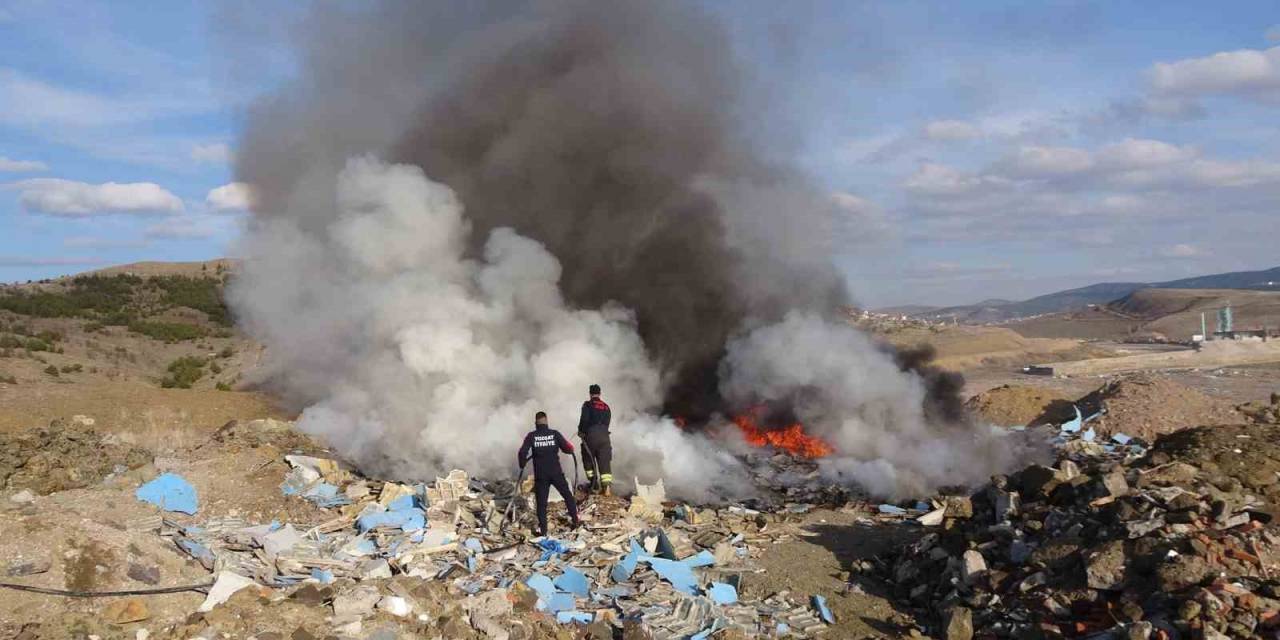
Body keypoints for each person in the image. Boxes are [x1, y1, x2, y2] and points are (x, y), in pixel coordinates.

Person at [517, 411, 580, 537]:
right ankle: (575, 520)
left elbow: (522, 452)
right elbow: (568, 448)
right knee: (567, 495)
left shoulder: (531, 436)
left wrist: (522, 463)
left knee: (541, 504)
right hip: (556, 473)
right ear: (547, 422)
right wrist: (570, 449)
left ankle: (544, 531)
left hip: (541, 476)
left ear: (536, 423)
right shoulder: (554, 434)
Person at [577, 383, 613, 495]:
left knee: (588, 459)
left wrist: (581, 431)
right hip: (605, 436)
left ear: (590, 393)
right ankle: (606, 488)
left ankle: (594, 485)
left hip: (591, 436)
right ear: (599, 393)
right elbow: (607, 422)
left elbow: (584, 420)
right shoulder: (606, 407)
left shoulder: (588, 405)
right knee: (604, 461)